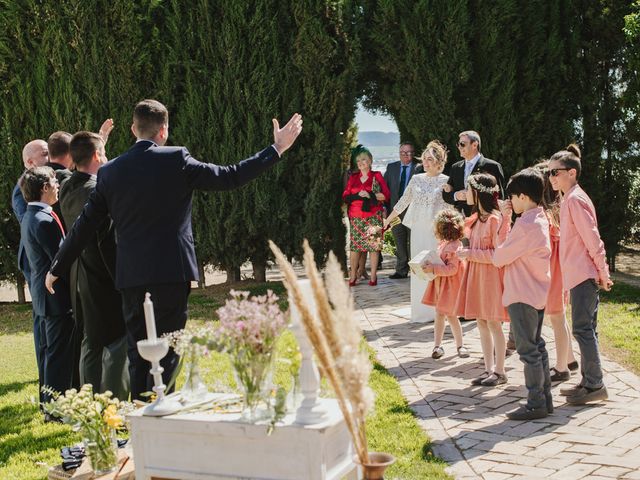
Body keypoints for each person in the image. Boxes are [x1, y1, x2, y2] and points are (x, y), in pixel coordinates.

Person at [45, 99, 303, 400]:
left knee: (137, 349)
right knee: (168, 348)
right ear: (164, 130)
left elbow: (84, 226)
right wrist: (276, 149)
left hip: (131, 276)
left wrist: (56, 268)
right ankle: (163, 413)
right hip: (171, 272)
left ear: (132, 129)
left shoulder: (111, 171)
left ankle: (142, 417)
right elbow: (230, 176)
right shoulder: (177, 159)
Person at [59, 131, 129, 399]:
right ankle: (114, 402)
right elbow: (108, 241)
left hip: (80, 274)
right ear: (98, 155)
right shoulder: (97, 192)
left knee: (91, 342)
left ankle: (88, 399)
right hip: (103, 276)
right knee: (115, 343)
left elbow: (73, 170)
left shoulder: (67, 187)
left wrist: (96, 141)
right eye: (104, 153)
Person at [549, 144, 611, 405]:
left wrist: (603, 271)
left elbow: (592, 237)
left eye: (555, 173)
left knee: (583, 329)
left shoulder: (575, 199)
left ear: (571, 172)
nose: (551, 177)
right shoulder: (569, 198)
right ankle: (588, 381)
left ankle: (595, 384)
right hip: (577, 274)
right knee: (587, 330)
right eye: (549, 173)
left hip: (584, 274)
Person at [493, 168, 552, 420]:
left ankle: (535, 403)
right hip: (536, 292)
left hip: (521, 293)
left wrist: (505, 221)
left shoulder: (526, 225)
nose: (511, 202)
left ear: (524, 197)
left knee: (528, 350)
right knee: (537, 345)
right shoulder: (540, 219)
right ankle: (545, 399)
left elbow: (499, 257)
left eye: (513, 197)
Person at [19, 166, 75, 407]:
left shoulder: (33, 215)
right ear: (44, 188)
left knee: (53, 351)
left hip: (45, 297)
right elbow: (59, 259)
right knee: (57, 354)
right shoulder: (43, 220)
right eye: (54, 181)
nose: (58, 185)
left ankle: (49, 402)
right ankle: (54, 405)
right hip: (55, 297)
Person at [383, 140, 449, 323]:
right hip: (418, 231)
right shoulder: (416, 179)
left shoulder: (446, 182)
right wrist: (387, 221)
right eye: (424, 158)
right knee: (419, 268)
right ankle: (421, 311)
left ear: (439, 161)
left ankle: (438, 310)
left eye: (429, 159)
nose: (425, 162)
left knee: (435, 269)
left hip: (436, 233)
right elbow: (403, 202)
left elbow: (450, 210)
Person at [456, 173, 510, 386]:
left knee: (493, 323)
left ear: (477, 193)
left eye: (469, 190)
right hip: (476, 275)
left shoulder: (495, 220)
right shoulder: (476, 219)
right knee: (481, 321)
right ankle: (488, 369)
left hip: (490, 277)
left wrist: (470, 254)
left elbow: (497, 255)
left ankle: (500, 371)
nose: (466, 193)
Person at [12, 139, 51, 403]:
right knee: (43, 323)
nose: (50, 158)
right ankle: (45, 379)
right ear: (30, 162)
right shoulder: (23, 190)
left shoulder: (49, 179)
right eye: (45, 154)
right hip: (36, 264)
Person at [533, 161, 578, 382]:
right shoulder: (554, 211)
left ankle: (561, 368)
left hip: (553, 271)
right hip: (558, 269)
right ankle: (569, 358)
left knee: (557, 317)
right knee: (559, 317)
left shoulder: (546, 216)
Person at [421, 209, 469, 359]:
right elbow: (440, 261)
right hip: (441, 286)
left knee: (451, 316)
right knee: (440, 314)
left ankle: (460, 345)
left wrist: (434, 268)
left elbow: (452, 270)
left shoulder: (454, 247)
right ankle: (437, 345)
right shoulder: (444, 244)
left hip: (450, 287)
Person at [343, 145, 390, 287]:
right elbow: (345, 195)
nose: (361, 163)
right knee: (355, 247)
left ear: (370, 161)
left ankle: (373, 276)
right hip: (356, 216)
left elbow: (386, 196)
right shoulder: (354, 177)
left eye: (364, 159)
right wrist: (357, 195)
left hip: (373, 216)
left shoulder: (377, 176)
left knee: (374, 247)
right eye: (358, 161)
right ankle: (352, 276)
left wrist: (370, 195)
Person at [442, 130, 505, 216]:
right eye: (458, 144)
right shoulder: (455, 167)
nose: (459, 147)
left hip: (483, 219)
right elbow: (446, 194)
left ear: (475, 145)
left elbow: (499, 196)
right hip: (460, 220)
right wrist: (456, 195)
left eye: (462, 144)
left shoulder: (492, 166)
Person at [383, 142, 416, 279]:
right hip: (395, 211)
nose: (406, 155)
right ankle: (401, 270)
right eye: (403, 152)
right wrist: (385, 207)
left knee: (413, 241)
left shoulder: (419, 168)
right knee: (399, 240)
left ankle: (415, 270)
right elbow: (385, 189)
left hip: (413, 211)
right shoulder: (392, 168)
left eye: (409, 152)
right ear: (399, 153)